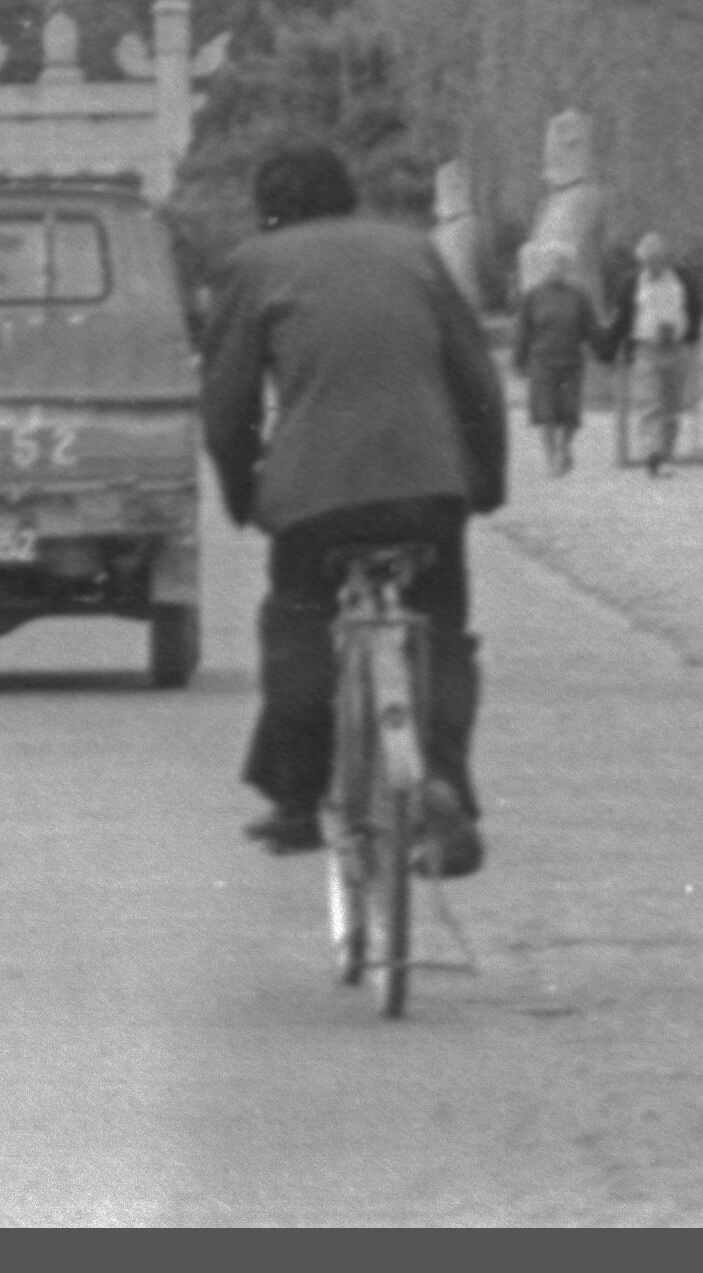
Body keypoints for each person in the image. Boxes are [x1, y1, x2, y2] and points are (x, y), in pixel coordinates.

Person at [202, 142, 510, 873]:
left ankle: (297, 803)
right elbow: (476, 379)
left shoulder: (254, 265)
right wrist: (484, 482)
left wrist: (245, 495)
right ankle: (443, 781)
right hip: (428, 488)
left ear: (266, 211)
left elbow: (228, 406)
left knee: (297, 626)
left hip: (314, 496)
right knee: (441, 631)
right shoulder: (415, 252)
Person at [605, 233, 703, 475]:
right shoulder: (632, 282)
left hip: (676, 348)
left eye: (656, 261)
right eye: (647, 262)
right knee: (649, 403)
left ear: (665, 259)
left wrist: (690, 337)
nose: (651, 266)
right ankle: (652, 453)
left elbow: (696, 309)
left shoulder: (682, 279)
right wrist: (609, 350)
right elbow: (621, 319)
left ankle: (667, 453)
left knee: (672, 405)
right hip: (646, 349)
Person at [511, 243, 601, 476]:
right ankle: (551, 460)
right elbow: (523, 331)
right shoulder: (533, 296)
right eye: (552, 262)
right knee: (547, 414)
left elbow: (591, 328)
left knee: (570, 413)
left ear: (569, 267)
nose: (556, 267)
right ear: (544, 266)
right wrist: (519, 361)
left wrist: (603, 350)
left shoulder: (579, 296)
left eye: (562, 262)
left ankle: (565, 446)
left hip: (571, 361)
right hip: (542, 362)